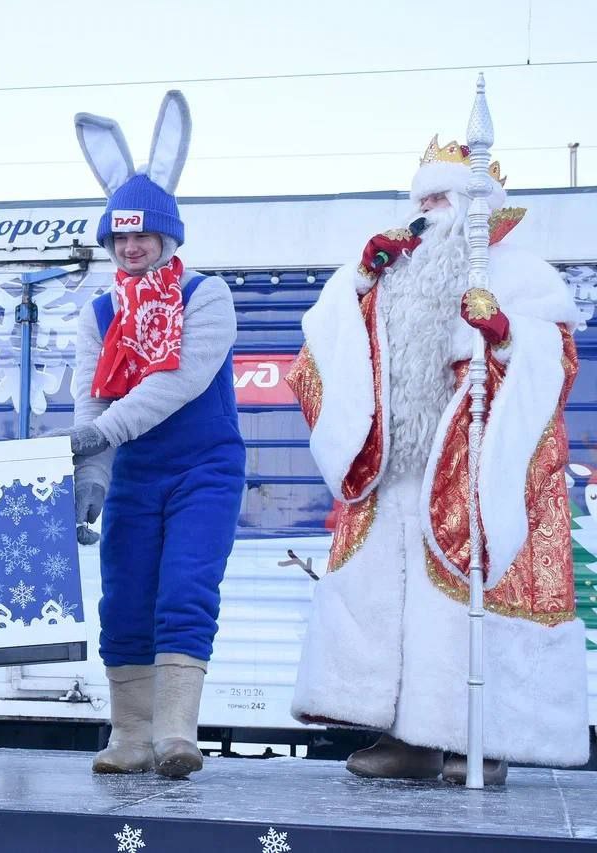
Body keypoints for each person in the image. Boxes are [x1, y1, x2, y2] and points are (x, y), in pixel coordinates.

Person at [286, 136, 590, 785]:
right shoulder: (388, 271)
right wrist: (361, 281)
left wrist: (504, 335)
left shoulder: (523, 275)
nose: (427, 211)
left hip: (474, 470)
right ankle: (407, 738)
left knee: (462, 607)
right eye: (421, 199)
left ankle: (480, 740)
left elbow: (556, 365)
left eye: (441, 199)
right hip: (392, 471)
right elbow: (322, 351)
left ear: (477, 206)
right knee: (394, 607)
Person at [63, 91, 245, 778]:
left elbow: (177, 383)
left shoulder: (207, 296)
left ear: (169, 238)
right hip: (134, 474)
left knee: (185, 589)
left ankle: (175, 733)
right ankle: (130, 735)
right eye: (120, 237)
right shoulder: (99, 311)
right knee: (124, 600)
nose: (131, 246)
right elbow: (91, 392)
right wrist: (92, 474)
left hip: (204, 469)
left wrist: (99, 434)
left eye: (142, 235)